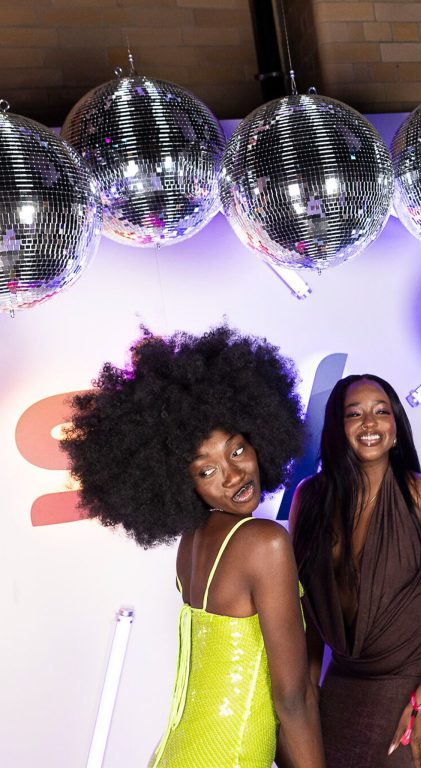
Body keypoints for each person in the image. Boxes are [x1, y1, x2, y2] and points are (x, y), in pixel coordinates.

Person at [62, 325, 325, 768]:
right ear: (179, 481)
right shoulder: (265, 543)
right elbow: (292, 699)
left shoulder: (193, 545)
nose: (234, 475)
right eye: (206, 471)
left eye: (237, 450)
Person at [289, 374, 421, 768]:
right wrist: (307, 693)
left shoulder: (417, 495)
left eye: (381, 412)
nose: (370, 423)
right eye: (354, 414)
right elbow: (306, 606)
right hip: (348, 675)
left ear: (395, 428)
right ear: (337, 430)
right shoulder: (309, 499)